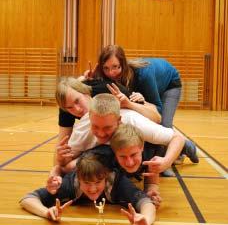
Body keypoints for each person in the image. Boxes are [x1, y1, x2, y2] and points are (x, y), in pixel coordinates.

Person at [84, 45, 199, 175]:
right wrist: (89, 79)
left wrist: (142, 102)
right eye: (106, 68)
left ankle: (186, 148)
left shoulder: (144, 75)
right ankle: (180, 147)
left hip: (170, 85)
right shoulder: (109, 76)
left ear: (123, 64)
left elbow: (158, 111)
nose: (111, 73)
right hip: (151, 86)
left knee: (164, 125)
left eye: (115, 67)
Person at [20, 149, 156, 225]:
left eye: (98, 182)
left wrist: (146, 221)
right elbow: (28, 199)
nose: (92, 189)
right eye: (86, 183)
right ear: (78, 178)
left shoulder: (117, 183)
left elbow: (146, 202)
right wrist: (46, 213)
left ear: (106, 177)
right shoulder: (70, 184)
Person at [53, 93, 185, 178]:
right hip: (108, 153)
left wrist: (167, 161)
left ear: (119, 120)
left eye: (107, 127)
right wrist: (60, 159)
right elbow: (65, 164)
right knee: (72, 167)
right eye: (95, 126)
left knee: (178, 145)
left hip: (150, 136)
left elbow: (178, 138)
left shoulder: (134, 122)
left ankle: (189, 149)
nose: (101, 133)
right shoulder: (82, 129)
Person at [54, 76, 161, 164]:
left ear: (86, 93)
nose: (77, 110)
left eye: (77, 101)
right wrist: (55, 171)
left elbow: (156, 118)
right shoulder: (66, 105)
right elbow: (63, 144)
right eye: (69, 107)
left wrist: (129, 104)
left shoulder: (112, 92)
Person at [110, 123, 161, 207]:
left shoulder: (151, 153)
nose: (129, 162)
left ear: (142, 147)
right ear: (114, 153)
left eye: (133, 155)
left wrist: (151, 192)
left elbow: (151, 183)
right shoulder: (108, 159)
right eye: (122, 156)